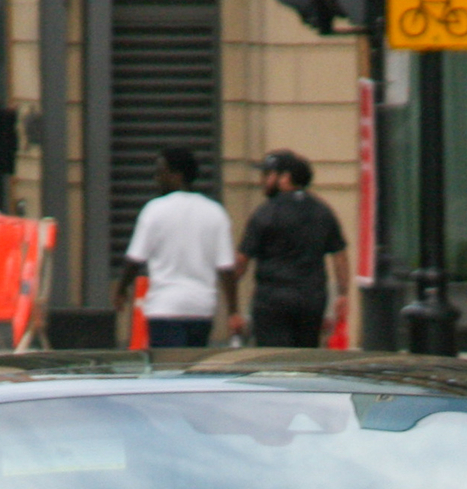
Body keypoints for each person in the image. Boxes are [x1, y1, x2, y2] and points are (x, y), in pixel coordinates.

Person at [113, 148, 236, 348]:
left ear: (177, 176)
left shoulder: (154, 210)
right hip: (201, 309)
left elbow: (135, 259)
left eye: (161, 172)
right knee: (193, 369)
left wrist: (121, 290)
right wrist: (233, 311)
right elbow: (226, 268)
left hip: (164, 307)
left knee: (166, 371)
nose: (156, 178)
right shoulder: (215, 212)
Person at [230, 149, 350, 349]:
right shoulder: (322, 211)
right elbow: (339, 255)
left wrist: (231, 303)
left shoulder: (266, 212)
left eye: (267, 175)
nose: (263, 180)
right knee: (304, 357)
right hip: (311, 299)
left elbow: (241, 262)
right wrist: (342, 294)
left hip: (272, 301)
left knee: (273, 360)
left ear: (285, 178)